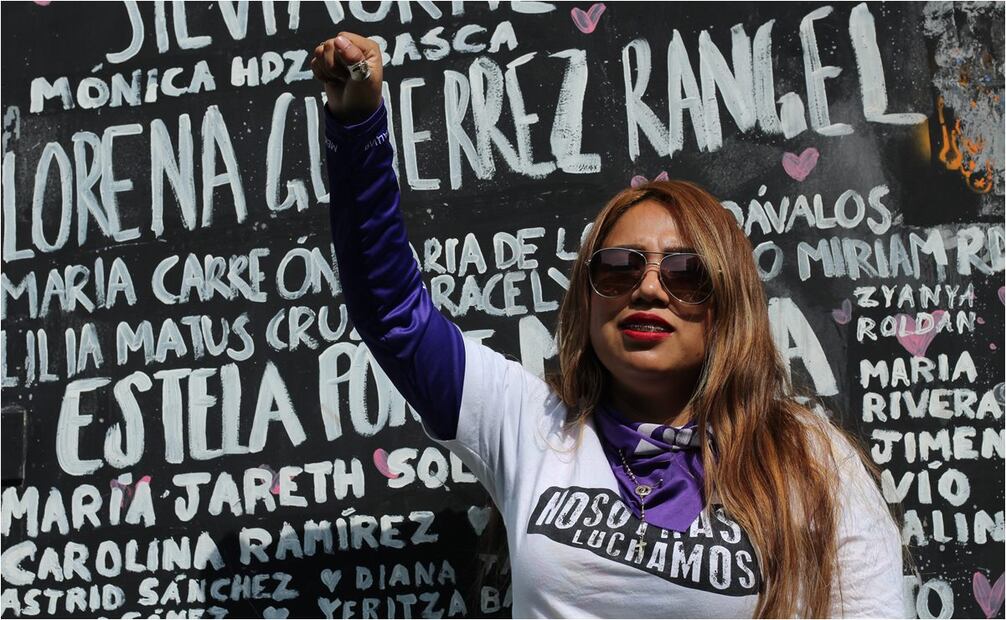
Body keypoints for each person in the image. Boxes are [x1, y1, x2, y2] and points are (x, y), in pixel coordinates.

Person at [311, 32, 906, 618]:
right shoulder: (530, 425)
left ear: (726, 302)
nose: (648, 287)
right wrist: (358, 127)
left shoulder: (807, 459)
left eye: (685, 273)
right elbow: (392, 312)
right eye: (618, 269)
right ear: (587, 301)